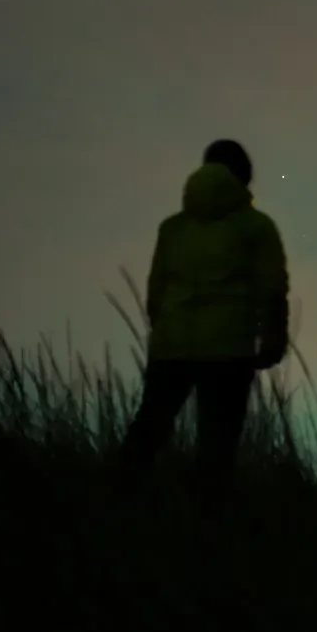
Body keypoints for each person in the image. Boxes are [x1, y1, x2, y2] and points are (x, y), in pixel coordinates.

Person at [121, 138, 289, 477]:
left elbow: (156, 290)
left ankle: (116, 497)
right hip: (228, 348)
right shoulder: (256, 226)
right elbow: (272, 287)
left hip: (172, 344)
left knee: (150, 427)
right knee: (218, 441)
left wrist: (163, 330)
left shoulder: (173, 228)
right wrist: (274, 339)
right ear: (243, 176)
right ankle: (208, 518)